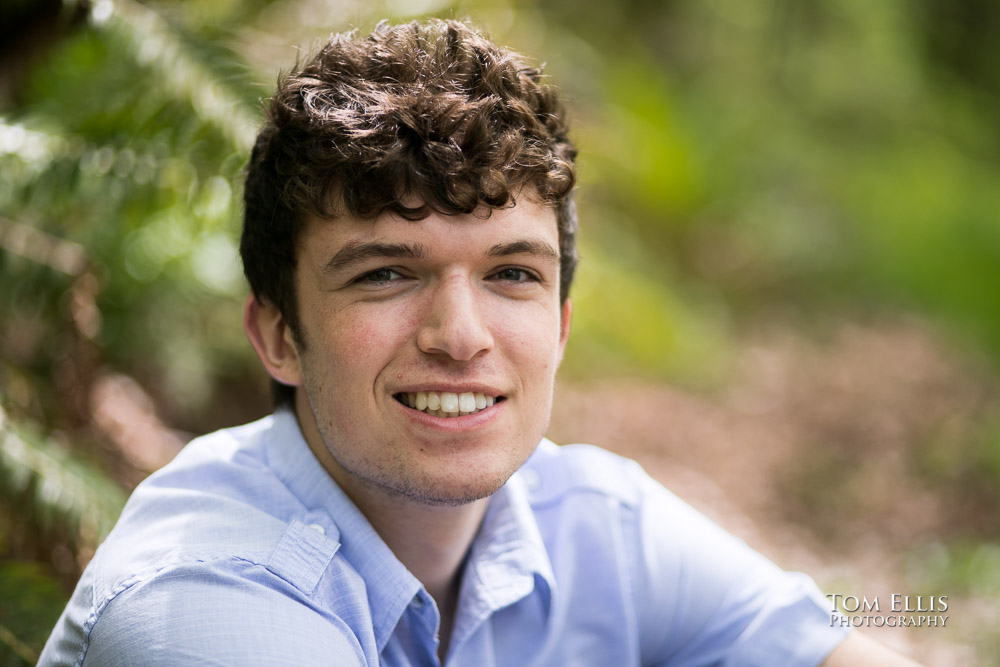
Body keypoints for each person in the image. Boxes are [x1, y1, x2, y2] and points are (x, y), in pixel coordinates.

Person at [41, 19, 918, 666]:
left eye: (512, 274)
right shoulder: (199, 598)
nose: (461, 337)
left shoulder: (594, 526)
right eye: (385, 273)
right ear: (279, 334)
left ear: (563, 326)